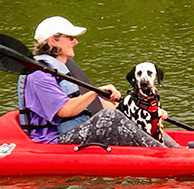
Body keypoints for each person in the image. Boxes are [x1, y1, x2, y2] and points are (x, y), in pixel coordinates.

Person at [18, 16, 180, 148]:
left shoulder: (63, 68)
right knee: (109, 117)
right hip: (54, 141)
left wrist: (143, 111)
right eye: (71, 38)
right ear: (54, 40)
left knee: (125, 114)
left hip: (76, 129)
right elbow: (65, 110)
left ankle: (177, 150)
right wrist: (95, 91)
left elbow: (98, 105)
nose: (76, 42)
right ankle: (164, 154)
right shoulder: (38, 75)